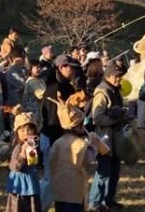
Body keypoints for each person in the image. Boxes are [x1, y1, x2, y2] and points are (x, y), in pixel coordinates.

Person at [48, 90, 103, 212]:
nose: (83, 127)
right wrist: (93, 145)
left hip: (60, 188)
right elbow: (88, 159)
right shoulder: (79, 144)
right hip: (74, 189)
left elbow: (51, 162)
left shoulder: (58, 142)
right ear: (74, 126)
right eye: (80, 125)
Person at [88, 63, 128, 211]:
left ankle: (108, 200)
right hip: (104, 138)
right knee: (103, 172)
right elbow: (97, 118)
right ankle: (94, 203)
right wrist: (115, 119)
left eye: (120, 76)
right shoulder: (102, 92)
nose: (119, 79)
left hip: (115, 138)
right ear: (108, 76)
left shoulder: (115, 90)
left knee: (115, 171)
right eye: (116, 76)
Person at [40, 55, 82, 161]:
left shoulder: (66, 85)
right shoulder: (55, 88)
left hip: (60, 135)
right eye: (71, 67)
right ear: (61, 67)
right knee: (52, 170)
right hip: (54, 135)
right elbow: (53, 117)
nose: (74, 71)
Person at [5, 107, 41, 212]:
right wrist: (22, 155)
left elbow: (35, 162)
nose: (26, 133)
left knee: (32, 206)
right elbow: (13, 167)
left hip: (31, 184)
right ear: (17, 132)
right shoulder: (18, 147)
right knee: (18, 208)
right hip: (19, 187)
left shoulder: (33, 145)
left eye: (29, 130)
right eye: (22, 130)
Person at [23, 61, 45, 132]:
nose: (39, 69)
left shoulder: (40, 80)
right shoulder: (31, 81)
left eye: (39, 67)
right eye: (36, 67)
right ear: (30, 69)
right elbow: (40, 95)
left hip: (39, 110)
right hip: (32, 112)